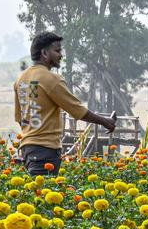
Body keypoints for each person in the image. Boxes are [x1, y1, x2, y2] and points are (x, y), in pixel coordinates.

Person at [14, 32, 116, 175]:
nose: (60, 55)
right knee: (44, 194)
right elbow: (77, 110)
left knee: (36, 193)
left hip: (28, 148)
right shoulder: (51, 79)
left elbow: (20, 118)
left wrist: (32, 135)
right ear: (44, 53)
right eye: (57, 51)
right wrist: (106, 121)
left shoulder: (21, 79)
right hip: (45, 150)